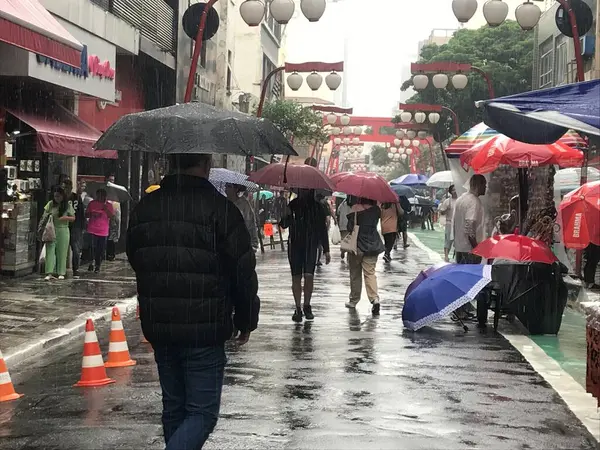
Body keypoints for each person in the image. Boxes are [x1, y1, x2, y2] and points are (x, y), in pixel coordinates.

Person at [126, 153, 259, 450]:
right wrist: (246, 318)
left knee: (174, 408)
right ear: (206, 164)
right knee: (202, 413)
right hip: (204, 327)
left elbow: (136, 258)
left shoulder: (146, 207)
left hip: (159, 324)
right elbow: (242, 271)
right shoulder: (221, 210)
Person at [280, 189, 330, 322]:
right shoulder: (292, 205)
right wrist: (286, 215)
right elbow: (284, 224)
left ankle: (307, 305)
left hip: (310, 245)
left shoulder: (317, 207)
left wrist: (326, 249)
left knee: (309, 276)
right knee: (296, 277)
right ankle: (298, 307)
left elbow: (322, 229)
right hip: (295, 245)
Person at [346, 197, 385, 315]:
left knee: (355, 274)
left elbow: (349, 228)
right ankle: (374, 299)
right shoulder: (377, 210)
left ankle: (353, 300)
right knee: (370, 273)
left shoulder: (355, 209)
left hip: (357, 246)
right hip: (373, 245)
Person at [42, 187, 75, 280]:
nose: (57, 198)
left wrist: (65, 218)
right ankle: (49, 272)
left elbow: (73, 218)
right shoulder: (50, 204)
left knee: (62, 251)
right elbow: (44, 214)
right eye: (55, 196)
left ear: (62, 196)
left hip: (63, 230)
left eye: (58, 196)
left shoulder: (67, 205)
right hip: (51, 229)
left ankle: (61, 272)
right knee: (50, 251)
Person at [453, 175, 486, 264]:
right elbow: (469, 226)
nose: (486, 187)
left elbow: (456, 223)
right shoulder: (474, 201)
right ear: (478, 185)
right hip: (469, 250)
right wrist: (476, 248)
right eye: (484, 185)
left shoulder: (460, 199)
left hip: (459, 248)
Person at [63, 179, 90, 278]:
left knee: (75, 248)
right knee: (63, 248)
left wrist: (82, 226)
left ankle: (76, 269)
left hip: (75, 226)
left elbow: (81, 212)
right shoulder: (61, 198)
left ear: (70, 187)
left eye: (66, 187)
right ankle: (60, 268)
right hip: (64, 226)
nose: (65, 190)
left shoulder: (76, 198)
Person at [225, 183, 260, 252]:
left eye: (229, 186)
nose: (226, 189)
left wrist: (253, 243)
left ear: (236, 189)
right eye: (225, 186)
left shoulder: (244, 204)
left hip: (242, 244)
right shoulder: (223, 204)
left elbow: (251, 224)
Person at [86, 189, 114, 273]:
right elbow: (86, 214)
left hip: (103, 231)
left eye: (102, 196)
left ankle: (98, 265)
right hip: (92, 229)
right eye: (99, 195)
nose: (101, 197)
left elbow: (111, 217)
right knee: (92, 248)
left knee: (100, 249)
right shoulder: (92, 204)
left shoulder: (108, 205)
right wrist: (92, 214)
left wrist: (106, 209)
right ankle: (91, 262)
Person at [439, 184, 458, 262]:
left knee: (458, 241)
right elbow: (441, 212)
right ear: (450, 191)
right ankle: (446, 256)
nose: (455, 191)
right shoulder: (447, 201)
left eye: (456, 189)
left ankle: (457, 256)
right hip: (449, 223)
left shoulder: (460, 200)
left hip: (458, 224)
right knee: (448, 240)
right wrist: (446, 210)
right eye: (453, 190)